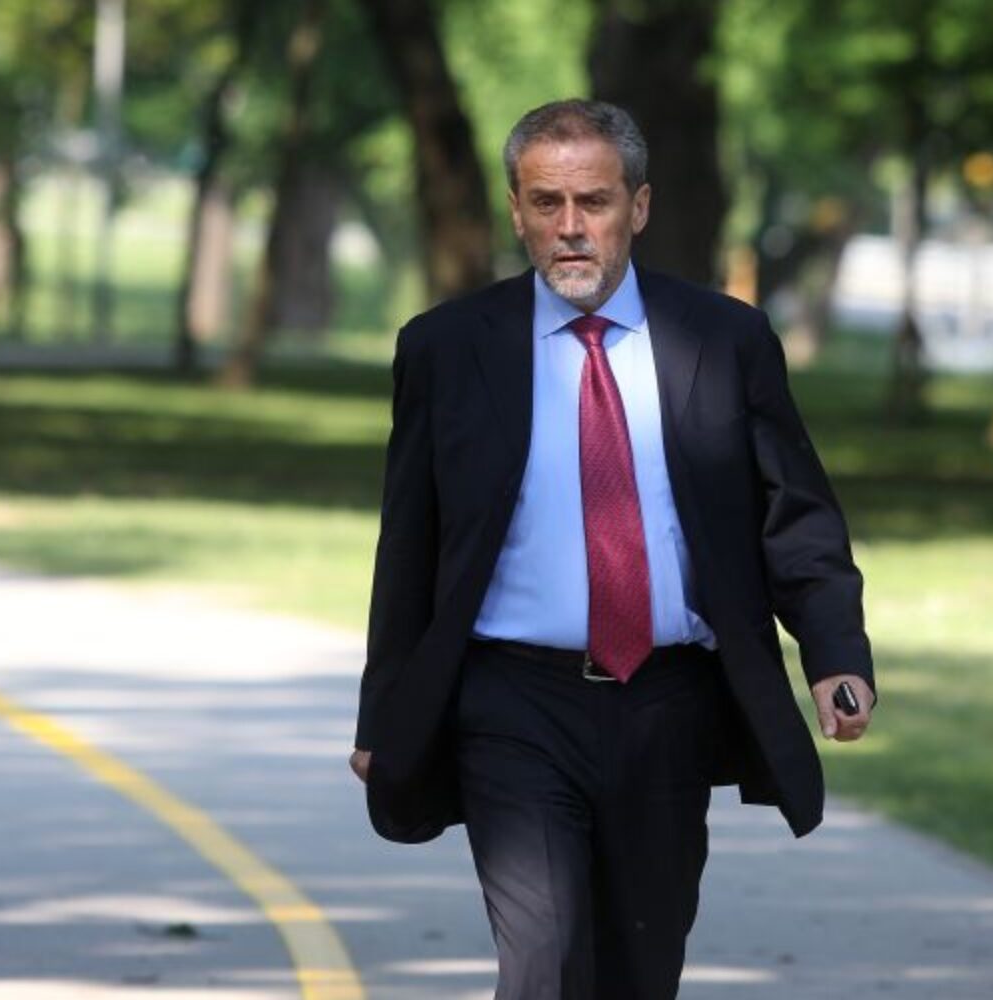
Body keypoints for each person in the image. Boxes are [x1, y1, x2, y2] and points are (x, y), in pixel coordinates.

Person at [349, 99, 875, 1000]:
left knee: (640, 967)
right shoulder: (447, 348)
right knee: (543, 962)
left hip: (669, 702)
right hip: (511, 701)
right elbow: (411, 543)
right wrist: (382, 712)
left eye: (592, 201)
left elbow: (794, 513)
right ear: (516, 210)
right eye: (545, 203)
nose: (570, 227)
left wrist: (834, 654)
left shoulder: (724, 340)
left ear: (638, 206)